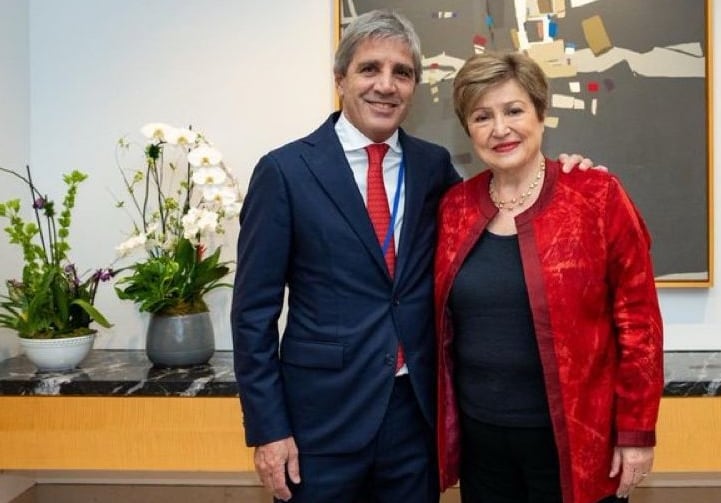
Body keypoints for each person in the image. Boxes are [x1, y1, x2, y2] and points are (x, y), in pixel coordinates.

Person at [231, 10, 596, 503]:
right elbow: (252, 315)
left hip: (416, 419)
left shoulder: (433, 167)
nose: (386, 85)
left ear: (414, 87)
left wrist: (567, 174)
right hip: (319, 424)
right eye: (369, 68)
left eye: (401, 73)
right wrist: (269, 430)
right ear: (340, 79)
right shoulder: (285, 171)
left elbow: (505, 199)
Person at [433, 52, 664, 503]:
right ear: (468, 129)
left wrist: (636, 431)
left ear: (541, 114)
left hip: (576, 443)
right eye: (482, 116)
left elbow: (640, 325)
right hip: (483, 443)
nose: (500, 129)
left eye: (514, 110)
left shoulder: (596, 195)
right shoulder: (454, 207)